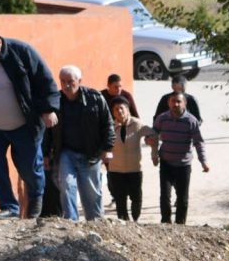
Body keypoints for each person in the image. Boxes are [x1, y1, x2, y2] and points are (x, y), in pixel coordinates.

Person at [0, 26, 59, 219]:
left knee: (30, 168)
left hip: (24, 126)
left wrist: (49, 109)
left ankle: (36, 196)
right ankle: (9, 207)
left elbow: (45, 81)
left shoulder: (22, 52)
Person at [54, 64, 113, 221]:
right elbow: (49, 131)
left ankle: (95, 223)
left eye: (71, 81)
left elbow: (107, 123)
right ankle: (71, 222)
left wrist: (107, 148)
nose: (67, 85)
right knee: (66, 185)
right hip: (66, 152)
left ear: (79, 81)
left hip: (90, 153)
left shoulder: (95, 98)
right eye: (63, 81)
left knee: (91, 193)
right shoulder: (57, 100)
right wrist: (47, 154)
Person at [149, 81, 210, 224]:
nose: (175, 104)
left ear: (184, 104)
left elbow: (198, 142)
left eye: (178, 102)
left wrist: (204, 161)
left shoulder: (191, 121)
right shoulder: (162, 118)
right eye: (172, 102)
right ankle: (165, 223)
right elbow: (154, 134)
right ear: (168, 103)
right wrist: (152, 147)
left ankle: (180, 225)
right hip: (166, 163)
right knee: (165, 196)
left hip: (183, 165)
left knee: (182, 198)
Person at [103, 74, 146, 221]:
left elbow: (151, 133)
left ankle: (135, 219)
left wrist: (153, 148)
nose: (119, 112)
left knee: (136, 197)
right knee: (119, 196)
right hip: (116, 167)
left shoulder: (137, 122)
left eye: (121, 109)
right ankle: (124, 220)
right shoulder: (109, 126)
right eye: (116, 110)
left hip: (134, 167)